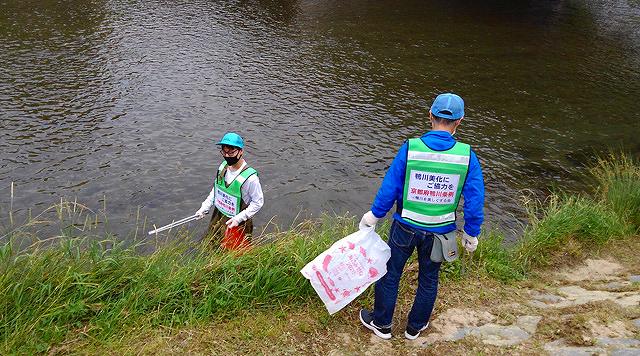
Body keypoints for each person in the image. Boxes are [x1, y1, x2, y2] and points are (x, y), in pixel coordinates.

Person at [358, 93, 484, 340]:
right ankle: (415, 327)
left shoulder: (411, 147)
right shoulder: (467, 155)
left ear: (430, 116)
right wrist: (471, 232)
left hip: (405, 227)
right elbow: (475, 199)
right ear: (460, 121)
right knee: (429, 278)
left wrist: (374, 215)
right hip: (441, 231)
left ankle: (382, 324)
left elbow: (390, 186)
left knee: (390, 272)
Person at [195, 132, 264, 249]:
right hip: (219, 215)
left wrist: (239, 219)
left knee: (235, 253)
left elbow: (258, 202)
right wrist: (205, 206)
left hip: (238, 221)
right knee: (212, 245)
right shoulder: (223, 167)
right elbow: (217, 189)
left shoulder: (250, 178)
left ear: (241, 151)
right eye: (224, 152)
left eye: (231, 152)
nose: (227, 156)